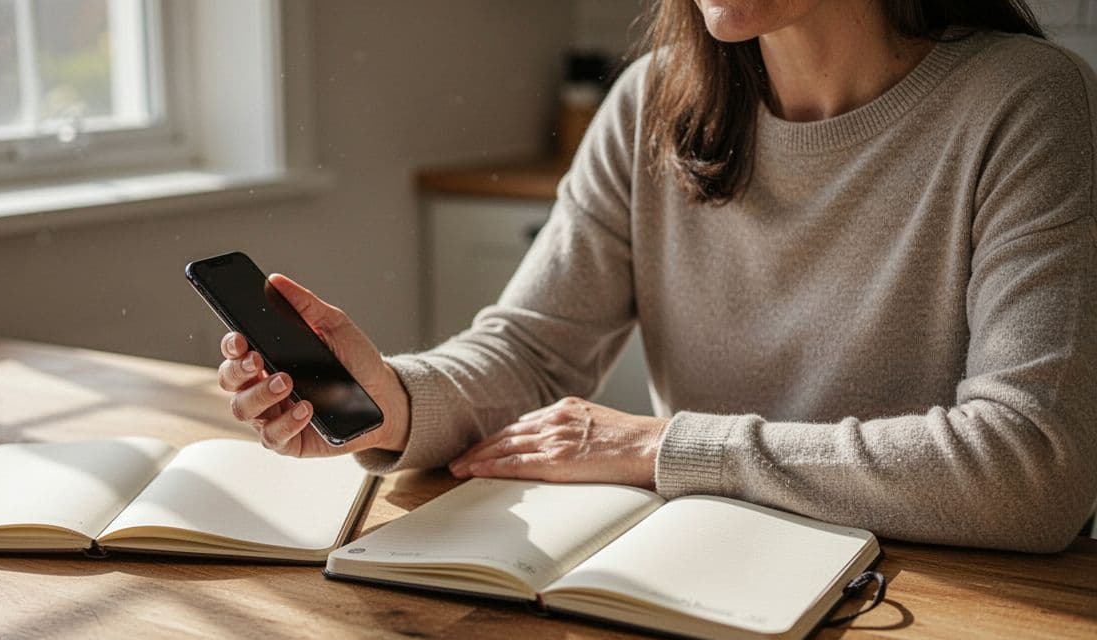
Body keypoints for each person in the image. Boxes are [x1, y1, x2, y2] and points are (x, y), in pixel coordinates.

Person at [216, 0, 1097, 554]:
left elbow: (1033, 470)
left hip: (942, 604)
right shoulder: (653, 100)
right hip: (705, 564)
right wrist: (390, 399)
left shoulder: (1025, 102)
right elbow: (530, 353)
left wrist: (659, 448)